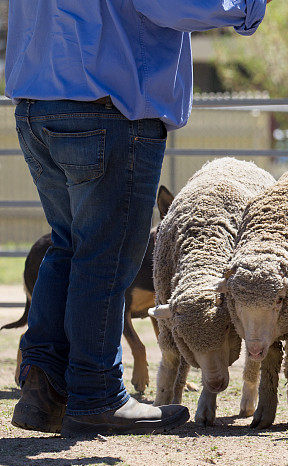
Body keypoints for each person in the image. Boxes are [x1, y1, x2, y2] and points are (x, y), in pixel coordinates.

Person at [6, 1, 271, 436]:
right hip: (107, 108)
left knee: (69, 245)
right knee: (104, 258)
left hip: (38, 104)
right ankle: (96, 396)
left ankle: (42, 388)